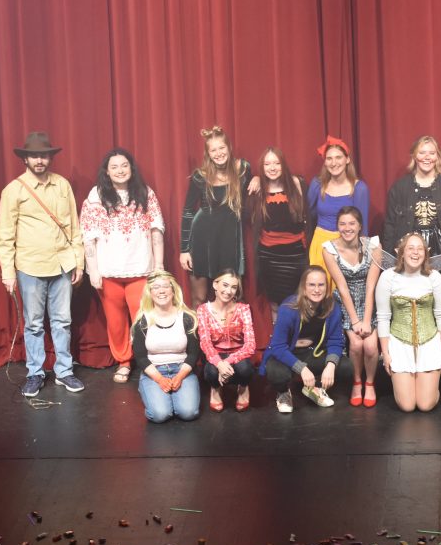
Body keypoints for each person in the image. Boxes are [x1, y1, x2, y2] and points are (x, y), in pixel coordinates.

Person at [0, 131, 85, 398]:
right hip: (30, 266)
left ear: (50, 158)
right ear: (25, 159)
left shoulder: (62, 185)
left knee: (62, 321)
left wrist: (78, 262)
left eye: (44, 155)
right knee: (33, 323)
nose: (39, 160)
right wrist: (8, 272)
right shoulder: (13, 190)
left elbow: (74, 227)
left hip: (61, 264)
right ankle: (35, 373)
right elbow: (5, 235)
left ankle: (64, 371)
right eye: (34, 156)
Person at [81, 148, 165, 384]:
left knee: (144, 319)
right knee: (116, 322)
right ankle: (124, 362)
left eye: (124, 165)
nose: (120, 170)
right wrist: (93, 270)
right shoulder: (96, 196)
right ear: (107, 172)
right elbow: (89, 236)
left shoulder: (145, 193)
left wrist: (159, 266)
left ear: (131, 168)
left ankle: (146, 361)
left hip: (141, 268)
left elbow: (156, 230)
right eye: (114, 167)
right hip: (109, 271)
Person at [259, 266, 350, 413]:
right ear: (304, 287)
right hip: (287, 353)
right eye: (311, 285)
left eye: (321, 285)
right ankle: (283, 393)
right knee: (277, 374)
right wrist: (301, 368)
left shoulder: (332, 307)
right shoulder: (289, 307)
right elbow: (278, 346)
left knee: (345, 366)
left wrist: (331, 365)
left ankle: (315, 388)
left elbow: (336, 341)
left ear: (327, 287)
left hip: (312, 353)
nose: (317, 290)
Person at [376, 232, 441, 412]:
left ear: (426, 253)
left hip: (429, 343)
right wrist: (385, 353)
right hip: (399, 344)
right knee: (407, 406)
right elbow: (383, 316)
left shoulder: (434, 277)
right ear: (401, 252)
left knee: (425, 405)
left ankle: (429, 390)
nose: (415, 253)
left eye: (420, 249)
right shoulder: (388, 277)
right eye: (410, 248)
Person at [179, 126, 252, 307]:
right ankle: (197, 336)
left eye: (222, 148)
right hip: (201, 240)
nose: (219, 153)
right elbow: (188, 211)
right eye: (213, 150)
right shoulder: (200, 176)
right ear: (208, 154)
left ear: (229, 147)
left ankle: (230, 335)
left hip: (229, 240)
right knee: (200, 298)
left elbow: (256, 189)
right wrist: (184, 250)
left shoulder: (243, 169)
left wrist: (257, 179)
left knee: (231, 297)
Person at [383, 136, 441, 278]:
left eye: (432, 153)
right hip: (411, 251)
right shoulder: (399, 188)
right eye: (422, 152)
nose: (427, 157)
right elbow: (389, 227)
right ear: (414, 156)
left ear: (438, 157)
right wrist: (389, 260)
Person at [322, 206, 382, 408]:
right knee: (356, 345)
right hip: (345, 302)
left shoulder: (373, 246)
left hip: (369, 300)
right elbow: (342, 287)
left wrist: (366, 319)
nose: (347, 228)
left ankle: (370, 383)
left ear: (359, 226)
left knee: (371, 346)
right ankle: (357, 382)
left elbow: (372, 286)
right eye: (342, 224)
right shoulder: (329, 249)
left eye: (351, 223)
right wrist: (355, 320)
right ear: (337, 226)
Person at [131, 271, 201, 423]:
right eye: (156, 287)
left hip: (182, 369)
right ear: (150, 292)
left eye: (165, 286)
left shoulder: (187, 317)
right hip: (154, 371)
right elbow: (141, 357)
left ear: (173, 290)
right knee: (160, 415)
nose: (161, 291)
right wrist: (159, 379)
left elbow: (194, 354)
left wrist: (180, 376)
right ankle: (147, 388)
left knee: (188, 413)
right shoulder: (143, 320)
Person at [248, 147, 308, 322]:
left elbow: (309, 217)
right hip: (269, 256)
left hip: (296, 254)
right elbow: (246, 217)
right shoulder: (258, 190)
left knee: (296, 301)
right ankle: (278, 342)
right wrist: (257, 178)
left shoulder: (298, 184)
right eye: (267, 164)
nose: (272, 168)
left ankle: (295, 342)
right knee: (274, 303)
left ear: (283, 165)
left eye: (276, 163)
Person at [306, 136, 370, 282]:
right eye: (329, 158)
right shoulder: (317, 184)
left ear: (347, 159)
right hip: (320, 245)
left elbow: (363, 228)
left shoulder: (359, 189)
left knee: (342, 294)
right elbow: (307, 214)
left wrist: (360, 257)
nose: (334, 163)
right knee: (319, 291)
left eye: (338, 157)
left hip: (347, 246)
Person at [197, 270, 256, 412]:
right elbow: (205, 343)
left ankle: (243, 388)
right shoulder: (203, 310)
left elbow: (250, 345)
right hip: (216, 353)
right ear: (215, 285)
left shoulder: (243, 309)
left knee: (246, 370)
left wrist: (227, 362)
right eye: (225, 285)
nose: (229, 291)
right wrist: (218, 362)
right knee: (210, 372)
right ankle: (215, 389)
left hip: (238, 354)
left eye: (234, 287)